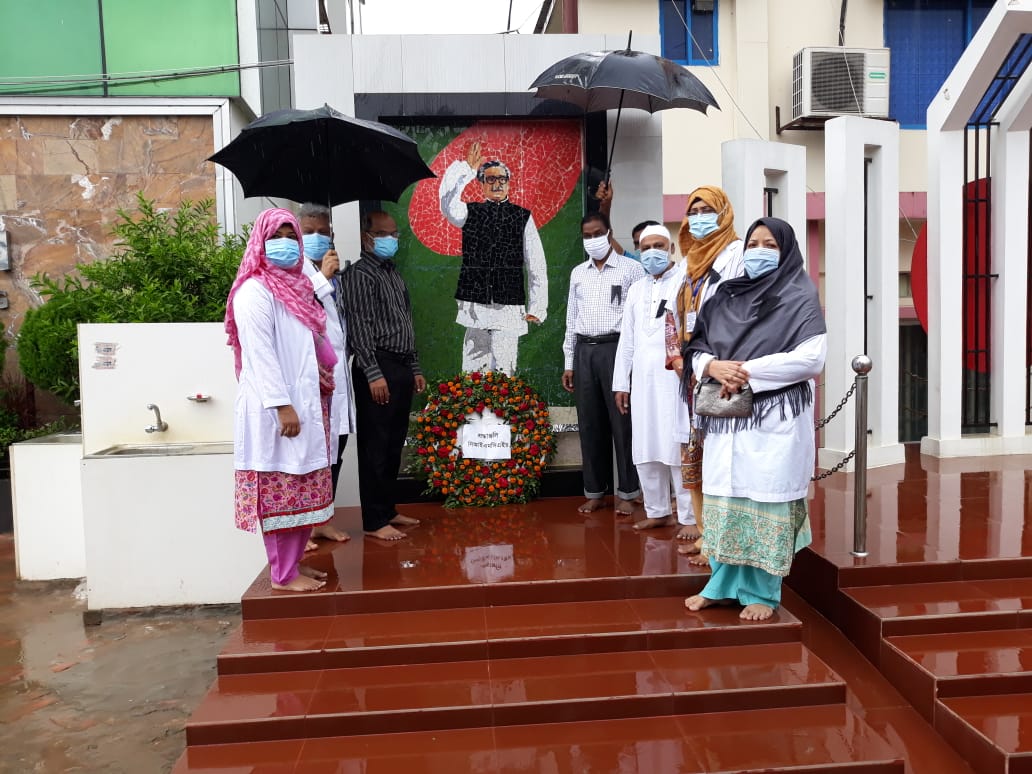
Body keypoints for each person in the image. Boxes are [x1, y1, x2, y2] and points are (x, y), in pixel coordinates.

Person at [683, 217, 826, 621]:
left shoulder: (798, 294)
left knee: (765, 500)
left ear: (786, 251)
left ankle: (762, 593)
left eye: (770, 245)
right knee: (726, 502)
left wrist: (744, 371)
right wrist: (712, 366)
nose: (759, 251)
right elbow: (697, 347)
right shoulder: (724, 295)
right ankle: (720, 586)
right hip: (727, 414)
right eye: (753, 243)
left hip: (773, 419)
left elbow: (811, 357)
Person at [226, 208, 337, 592]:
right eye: (277, 237)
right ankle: (282, 575)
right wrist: (282, 405)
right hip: (277, 410)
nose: (286, 244)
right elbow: (260, 354)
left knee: (302, 491)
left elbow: (308, 345)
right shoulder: (254, 291)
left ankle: (294, 564)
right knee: (280, 494)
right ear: (261, 241)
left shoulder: (298, 288)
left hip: (306, 402)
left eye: (292, 237)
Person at [670, 186, 745, 562]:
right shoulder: (688, 262)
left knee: (720, 458)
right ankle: (705, 533)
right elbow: (672, 315)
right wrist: (677, 356)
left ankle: (720, 541)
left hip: (720, 371)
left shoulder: (736, 255)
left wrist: (712, 362)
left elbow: (740, 315)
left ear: (723, 213)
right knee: (695, 454)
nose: (699, 218)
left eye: (707, 210)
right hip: (691, 373)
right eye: (693, 211)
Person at [341, 210, 426, 541]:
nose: (391, 240)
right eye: (383, 234)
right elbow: (360, 327)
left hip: (401, 365)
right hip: (377, 366)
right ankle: (374, 520)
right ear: (367, 237)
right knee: (375, 445)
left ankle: (388, 509)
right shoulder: (360, 275)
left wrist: (414, 367)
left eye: (395, 234)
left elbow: (406, 323)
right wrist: (373, 373)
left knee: (393, 443)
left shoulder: (392, 273)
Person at [439, 140, 548, 374]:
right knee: (472, 371)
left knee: (504, 371)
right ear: (481, 184)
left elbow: (536, 264)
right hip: (475, 304)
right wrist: (465, 170)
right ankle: (473, 402)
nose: (497, 184)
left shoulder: (522, 217)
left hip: (508, 305)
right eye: (490, 179)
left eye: (502, 179)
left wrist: (538, 306)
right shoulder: (469, 212)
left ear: (508, 183)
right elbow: (447, 204)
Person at [613, 224, 695, 532]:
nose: (652, 253)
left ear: (671, 249)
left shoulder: (685, 282)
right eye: (645, 248)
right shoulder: (636, 289)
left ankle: (689, 517)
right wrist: (621, 383)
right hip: (643, 381)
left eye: (658, 246)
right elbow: (627, 340)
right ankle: (657, 510)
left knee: (676, 444)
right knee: (645, 445)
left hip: (674, 379)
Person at [562, 211, 645, 515]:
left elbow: (638, 319)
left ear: (609, 233)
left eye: (598, 233)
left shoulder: (631, 269)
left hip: (617, 349)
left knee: (623, 423)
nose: (593, 240)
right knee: (590, 423)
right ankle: (595, 491)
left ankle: (629, 492)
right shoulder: (578, 273)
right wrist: (569, 361)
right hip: (585, 350)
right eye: (587, 236)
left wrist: (634, 361)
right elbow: (571, 319)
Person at [298, 202, 356, 550]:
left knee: (337, 449)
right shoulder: (294, 273)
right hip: (311, 382)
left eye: (323, 231)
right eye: (309, 232)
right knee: (314, 454)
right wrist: (322, 278)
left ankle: (322, 520)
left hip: (338, 379)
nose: (317, 238)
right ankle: (303, 527)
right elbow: (299, 311)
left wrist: (331, 277)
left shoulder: (335, 273)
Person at [593, 180, 659, 261]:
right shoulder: (632, 264)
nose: (643, 248)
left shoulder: (676, 271)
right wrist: (606, 203)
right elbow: (604, 235)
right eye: (637, 244)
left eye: (648, 241)